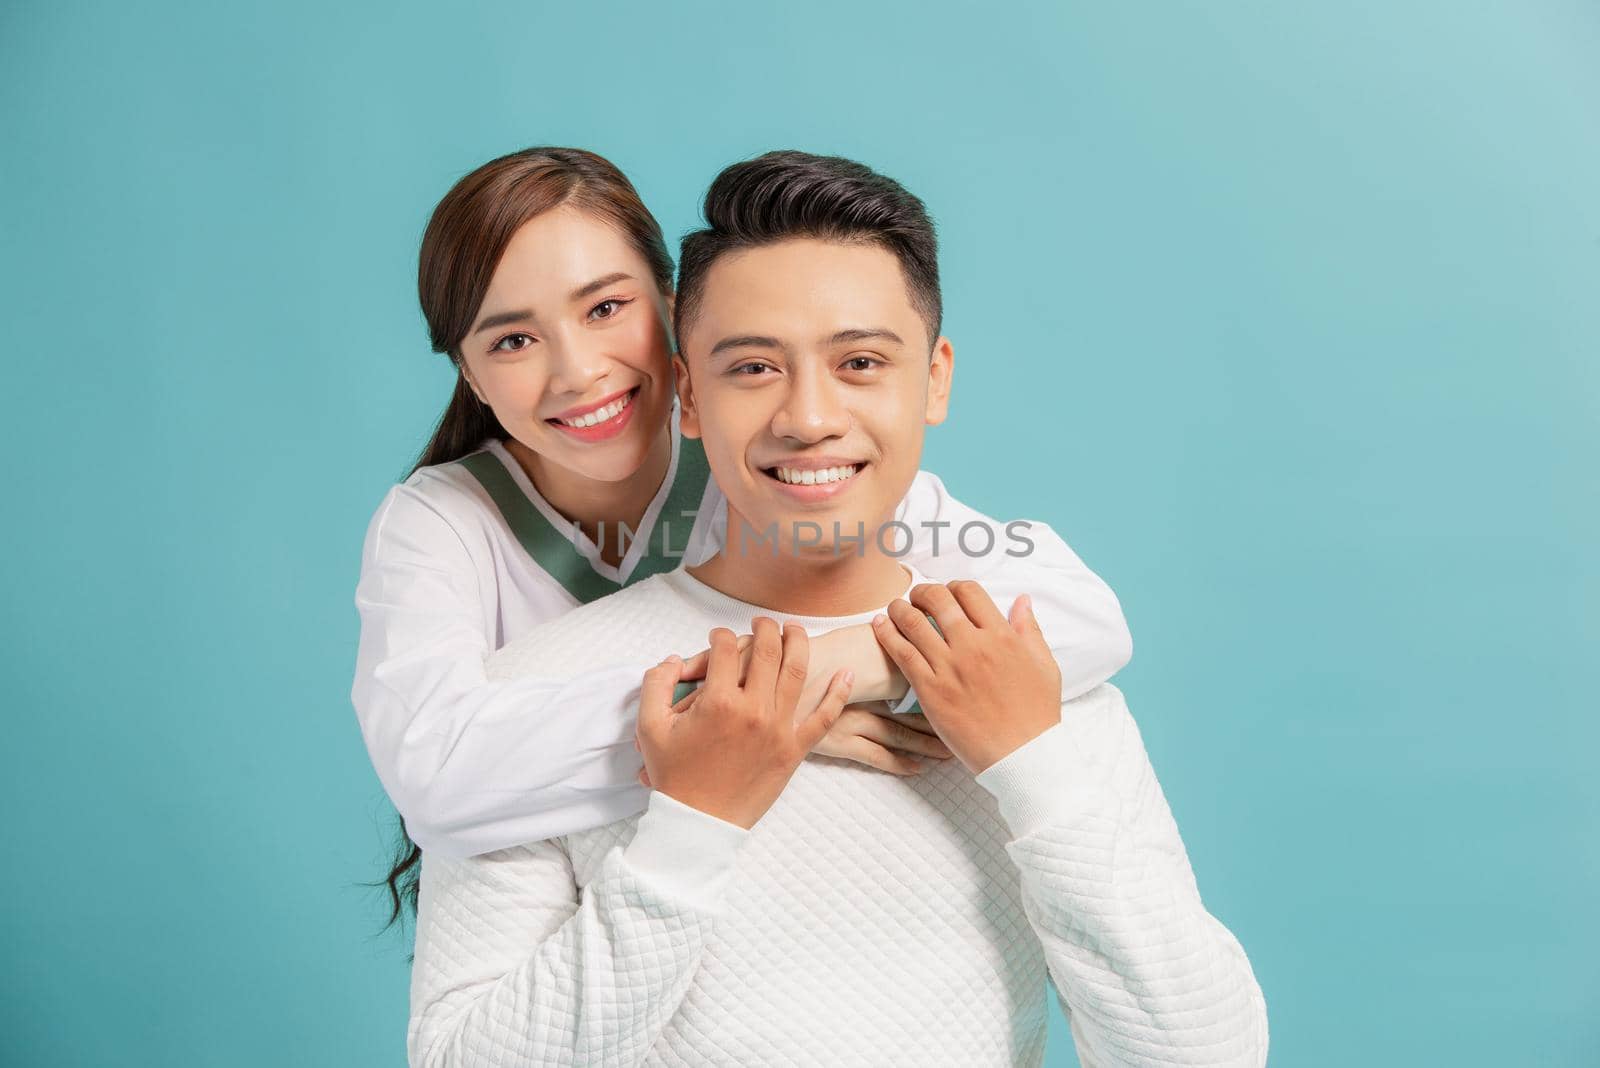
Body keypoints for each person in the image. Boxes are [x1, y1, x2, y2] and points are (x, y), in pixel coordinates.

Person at [406, 151, 1268, 1066]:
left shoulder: (1023, 672)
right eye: (752, 368)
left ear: (934, 380)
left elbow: (1204, 1055)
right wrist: (690, 828)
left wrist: (1034, 766)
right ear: (688, 396)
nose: (808, 416)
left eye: (859, 362)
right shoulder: (536, 694)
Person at [350, 147, 1135, 911]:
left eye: (606, 308)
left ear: (673, 309)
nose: (578, 371)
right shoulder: (441, 522)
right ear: (468, 371)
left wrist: (817, 677)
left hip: (791, 897)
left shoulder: (773, 467)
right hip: (567, 911)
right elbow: (435, 774)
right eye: (512, 340)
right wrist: (755, 719)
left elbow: (1075, 619)